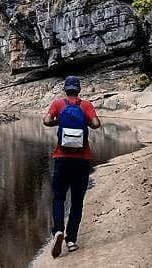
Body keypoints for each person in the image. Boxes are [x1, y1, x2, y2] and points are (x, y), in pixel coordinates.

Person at [42, 75, 101, 258]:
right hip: (82, 161)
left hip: (62, 159)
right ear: (79, 89)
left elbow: (46, 120)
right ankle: (71, 240)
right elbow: (96, 124)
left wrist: (58, 121)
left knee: (58, 198)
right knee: (77, 201)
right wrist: (86, 122)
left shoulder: (58, 104)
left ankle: (58, 231)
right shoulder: (86, 105)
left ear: (65, 89)